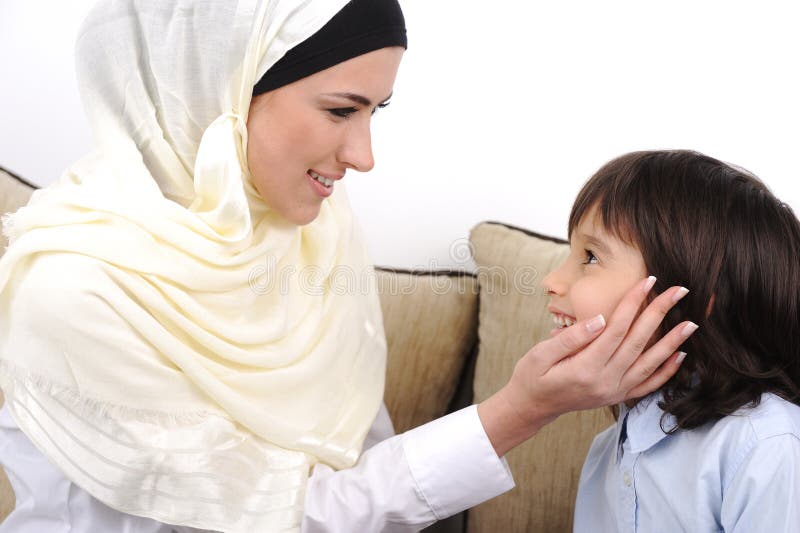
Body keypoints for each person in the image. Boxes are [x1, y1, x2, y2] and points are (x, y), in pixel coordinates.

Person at [0, 1, 693, 532]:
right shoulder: (73, 289)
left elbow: (363, 478)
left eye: (375, 111)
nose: (363, 155)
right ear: (220, 86)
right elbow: (278, 517)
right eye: (340, 109)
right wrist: (519, 411)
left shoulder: (310, 233)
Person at [541, 150, 800, 532]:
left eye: (591, 257)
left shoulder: (765, 446)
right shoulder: (605, 454)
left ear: (695, 297)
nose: (552, 281)